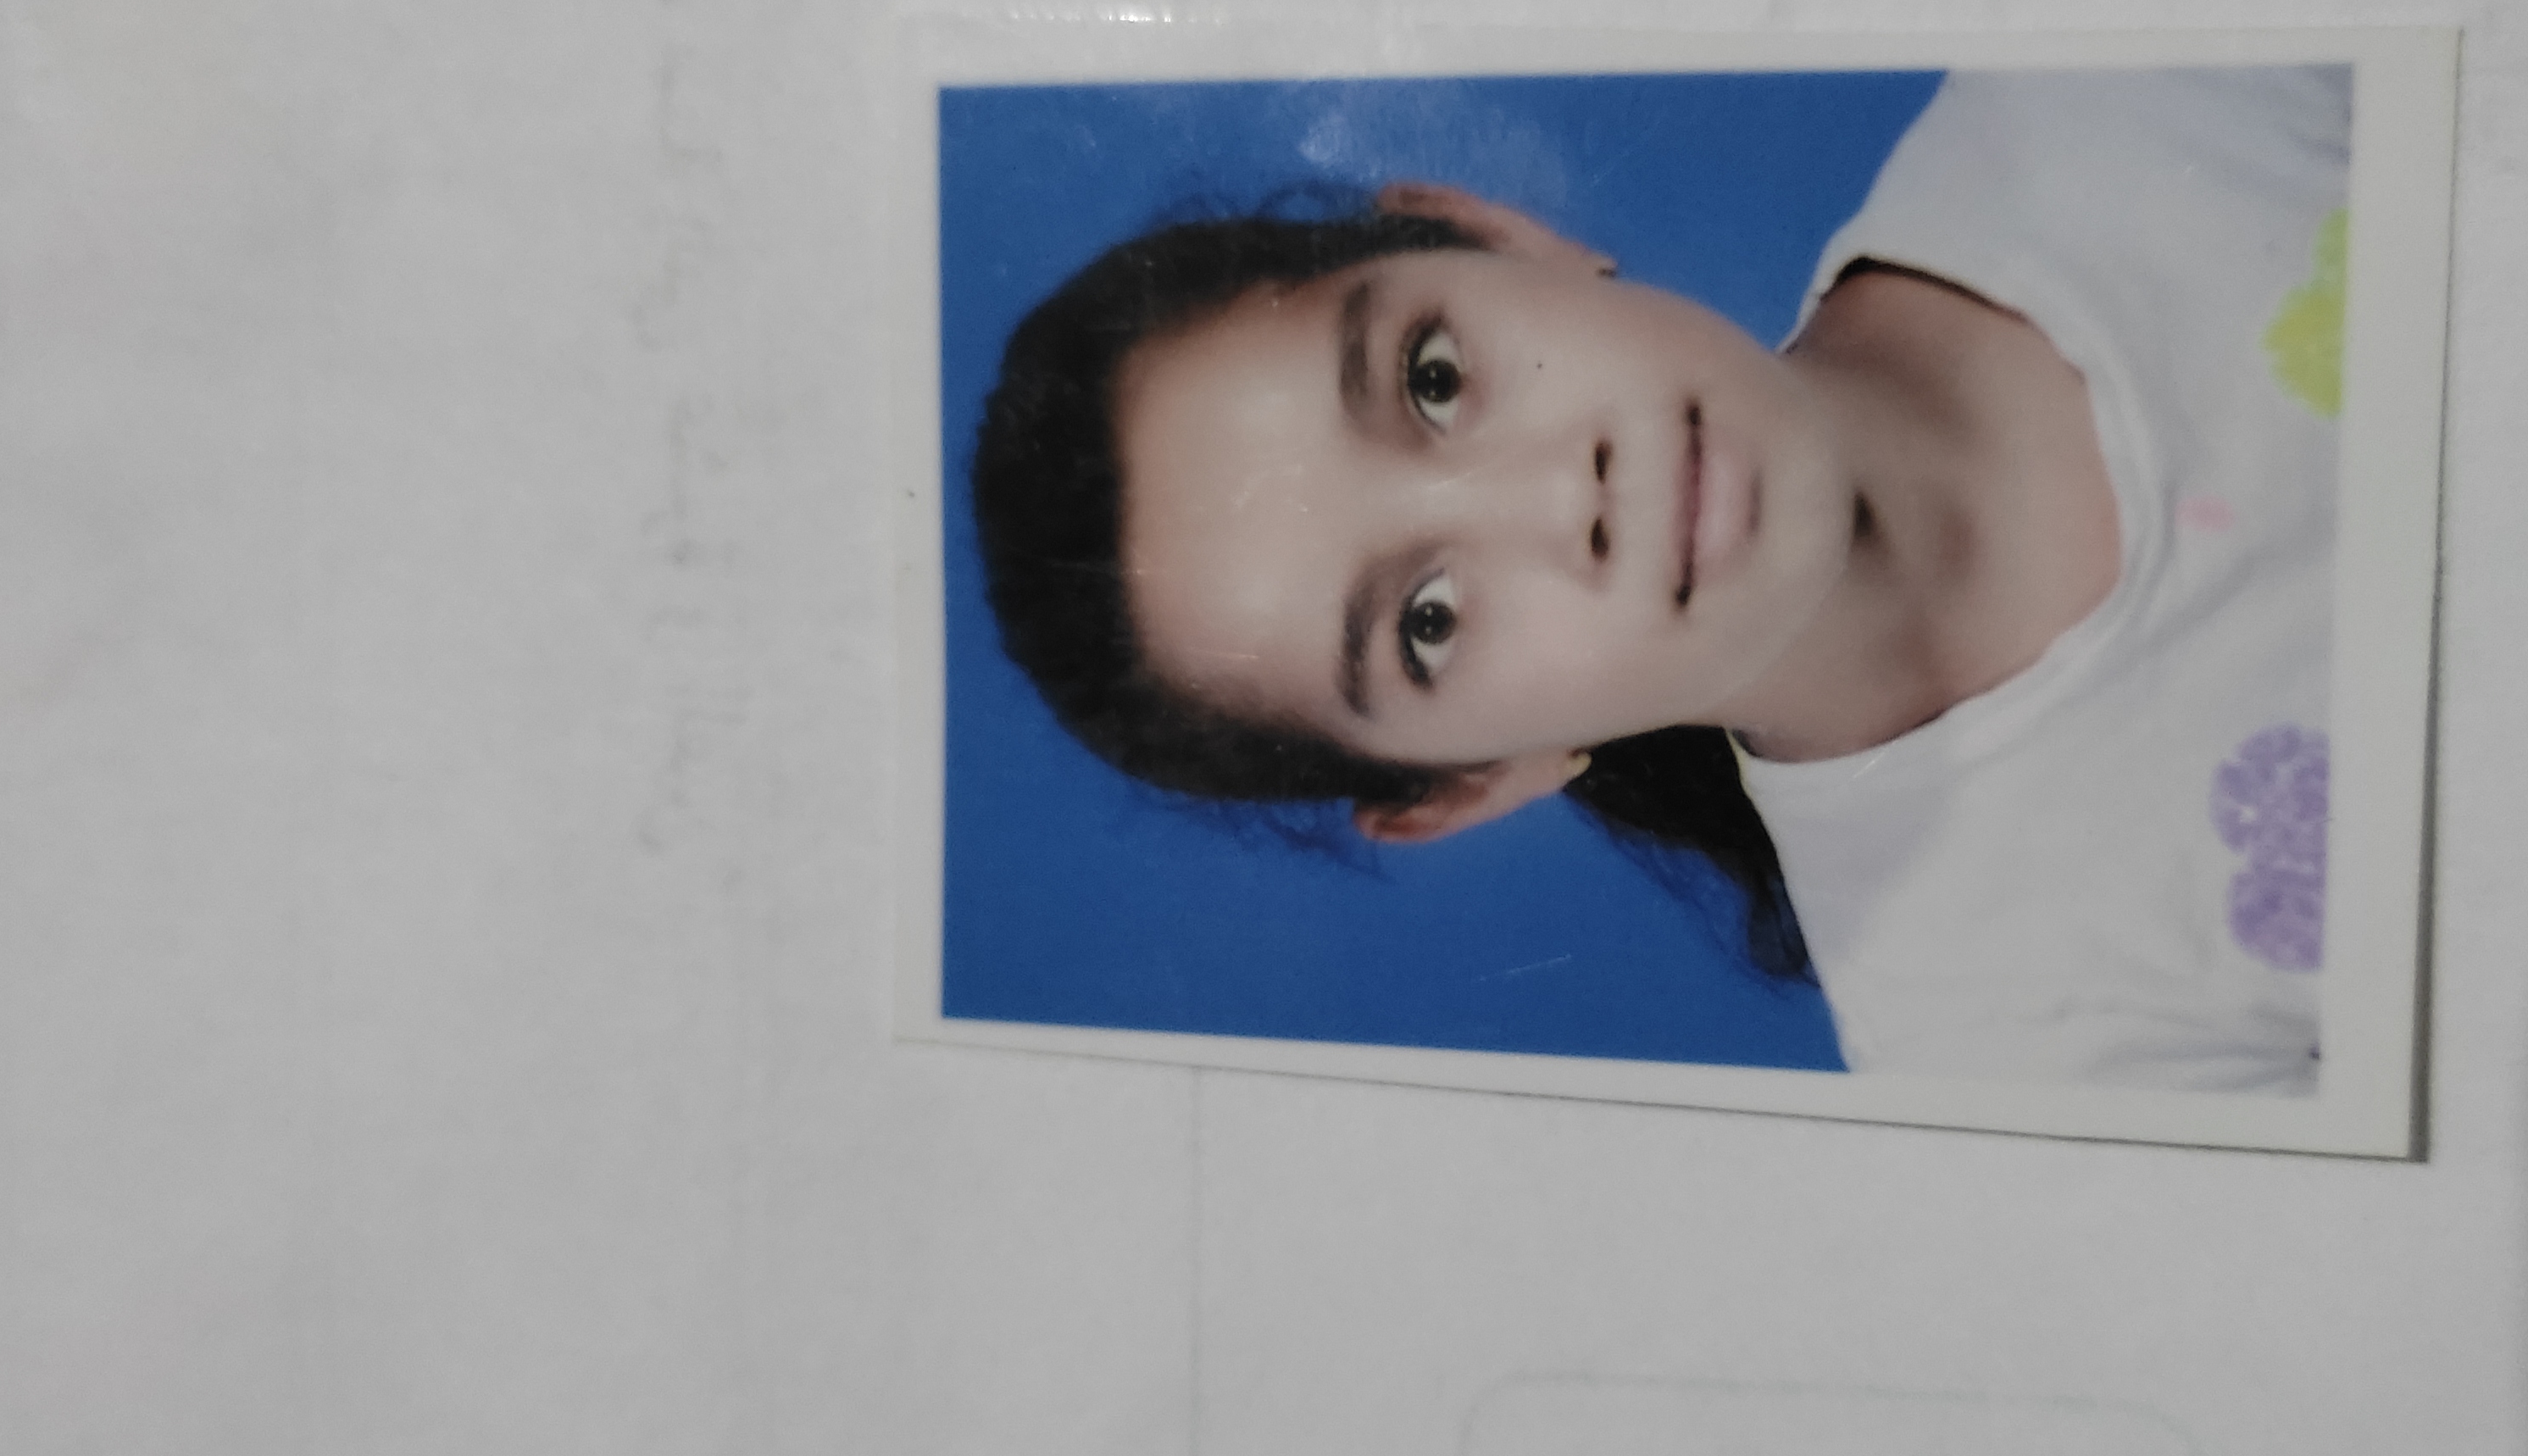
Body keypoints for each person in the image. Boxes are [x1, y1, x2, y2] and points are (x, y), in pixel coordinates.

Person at [970, 65, 2349, 1093]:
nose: (1561, 499)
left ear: (1498, 233)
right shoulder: (2018, 1059)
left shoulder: (2130, 70)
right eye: (1427, 622)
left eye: (1432, 379)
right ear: (1481, 783)